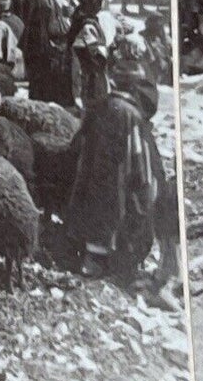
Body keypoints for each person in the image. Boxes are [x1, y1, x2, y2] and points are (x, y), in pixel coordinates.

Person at [65, 68, 164, 282]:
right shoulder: (132, 117)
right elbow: (141, 167)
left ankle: (92, 260)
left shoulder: (98, 107)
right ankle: (120, 263)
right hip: (117, 208)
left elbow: (76, 147)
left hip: (88, 205)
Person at [22, 0, 75, 105]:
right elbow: (37, 30)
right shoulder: (41, 0)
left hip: (63, 47)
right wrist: (47, 46)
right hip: (46, 49)